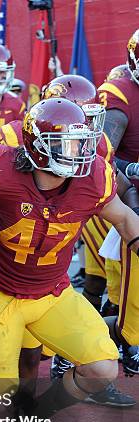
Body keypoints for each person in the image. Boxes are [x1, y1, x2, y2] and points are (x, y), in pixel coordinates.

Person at [0, 98, 139, 422]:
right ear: (38, 145)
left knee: (102, 366)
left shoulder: (92, 177)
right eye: (67, 145)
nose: (78, 155)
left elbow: (125, 218)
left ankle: (33, 419)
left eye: (82, 144)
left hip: (53, 292)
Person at [98, 30, 139, 374]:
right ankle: (127, 342)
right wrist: (133, 171)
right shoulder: (120, 96)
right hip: (130, 196)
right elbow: (101, 157)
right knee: (134, 286)